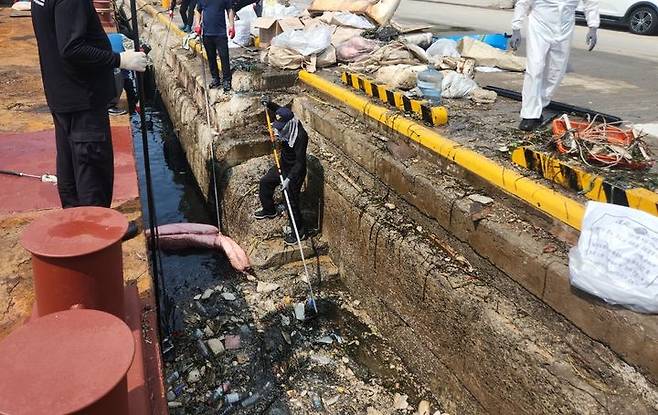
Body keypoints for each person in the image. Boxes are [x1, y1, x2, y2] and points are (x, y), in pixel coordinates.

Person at [32, 0, 147, 237]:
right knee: (91, 161)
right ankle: (96, 228)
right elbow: (72, 48)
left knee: (69, 159)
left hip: (61, 92)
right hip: (82, 96)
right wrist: (120, 60)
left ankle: (75, 219)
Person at [510, 0, 600, 131]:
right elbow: (523, 3)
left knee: (556, 72)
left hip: (564, 29)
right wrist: (516, 28)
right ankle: (529, 115)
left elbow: (591, 3)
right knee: (535, 68)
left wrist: (593, 27)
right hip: (539, 26)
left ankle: (539, 107)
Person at [255, 98, 309, 246]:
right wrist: (269, 104)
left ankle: (299, 231)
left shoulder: (300, 136)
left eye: (281, 126)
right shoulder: (287, 118)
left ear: (289, 124)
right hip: (283, 164)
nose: (278, 129)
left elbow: (300, 163)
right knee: (265, 182)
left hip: (295, 172)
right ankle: (269, 209)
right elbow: (280, 110)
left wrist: (289, 179)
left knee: (290, 201)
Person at [194, 0, 235, 92]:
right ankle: (215, 78)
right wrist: (197, 24)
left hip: (220, 33)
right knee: (211, 57)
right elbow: (198, 10)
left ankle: (226, 80)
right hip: (207, 34)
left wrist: (232, 26)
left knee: (224, 57)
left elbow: (230, 10)